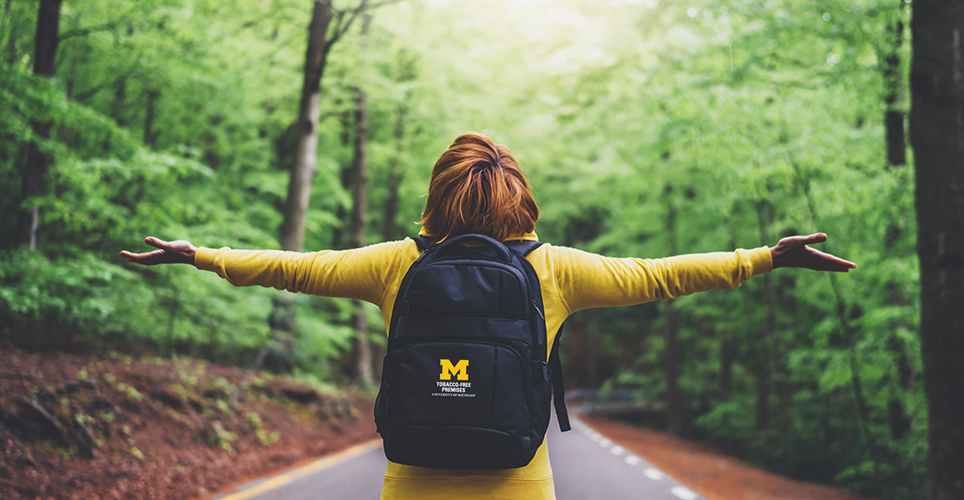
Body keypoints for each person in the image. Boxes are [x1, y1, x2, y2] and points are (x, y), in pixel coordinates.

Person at [121, 133, 856, 499]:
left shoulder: (396, 263)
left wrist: (202, 254)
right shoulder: (554, 269)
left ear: (438, 198)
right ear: (520, 202)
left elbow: (293, 269)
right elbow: (659, 278)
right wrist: (763, 256)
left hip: (413, 476)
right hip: (518, 480)